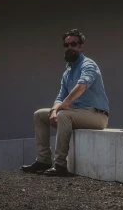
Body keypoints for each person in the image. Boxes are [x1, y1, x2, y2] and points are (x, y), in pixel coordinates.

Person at [21, 28, 109, 176]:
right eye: (66, 45)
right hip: (75, 113)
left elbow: (81, 86)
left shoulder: (89, 65)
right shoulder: (67, 71)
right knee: (40, 115)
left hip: (96, 116)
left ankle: (60, 164)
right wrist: (54, 110)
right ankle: (43, 160)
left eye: (73, 44)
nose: (69, 48)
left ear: (81, 46)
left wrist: (64, 107)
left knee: (63, 115)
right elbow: (60, 97)